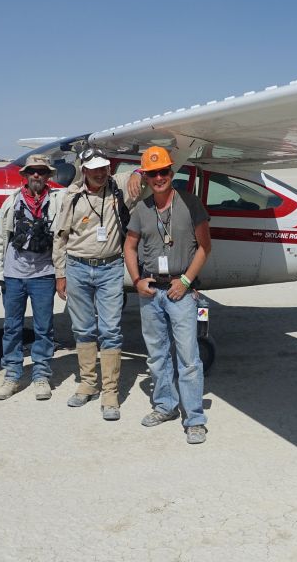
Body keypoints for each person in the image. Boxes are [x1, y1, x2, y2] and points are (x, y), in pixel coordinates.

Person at [124, 146, 212, 444]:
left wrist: (186, 281)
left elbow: (205, 247)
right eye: (153, 173)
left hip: (180, 291)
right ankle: (165, 406)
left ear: (171, 173)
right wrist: (136, 280)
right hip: (151, 292)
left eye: (164, 171)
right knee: (157, 356)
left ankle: (195, 418)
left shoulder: (190, 204)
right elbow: (130, 246)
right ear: (146, 178)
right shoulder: (141, 210)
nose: (159, 177)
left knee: (188, 358)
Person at [52, 146, 141, 421]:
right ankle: (88, 383)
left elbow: (150, 170)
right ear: (84, 171)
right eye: (94, 169)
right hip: (77, 267)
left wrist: (138, 171)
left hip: (110, 267)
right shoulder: (72, 196)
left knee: (111, 330)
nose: (100, 173)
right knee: (83, 328)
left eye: (104, 168)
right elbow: (60, 236)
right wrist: (60, 273)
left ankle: (110, 393)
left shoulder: (119, 186)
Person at [0, 154, 63, 401]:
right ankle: (12, 374)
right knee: (12, 327)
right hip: (14, 275)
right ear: (26, 174)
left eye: (42, 171)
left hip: (44, 275)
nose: (37, 176)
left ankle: (41, 374)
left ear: (48, 176)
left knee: (44, 328)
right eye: (32, 171)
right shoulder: (11, 202)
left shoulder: (58, 201)